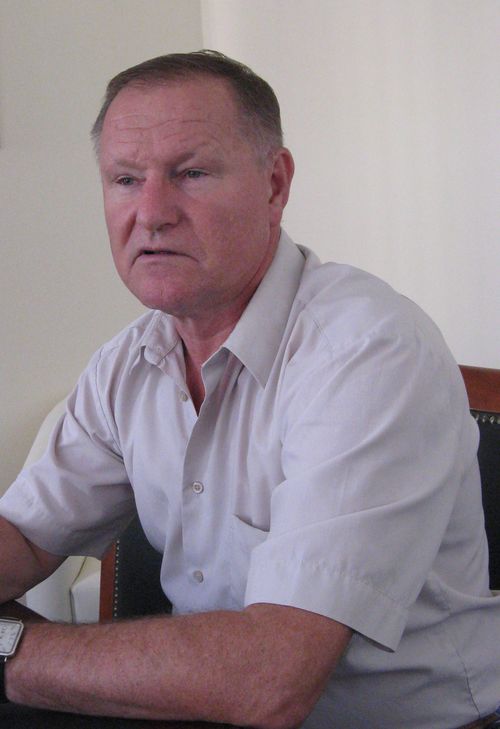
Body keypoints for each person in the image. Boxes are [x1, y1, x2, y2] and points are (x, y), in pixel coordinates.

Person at [0, 50, 499, 729]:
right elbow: (25, 538)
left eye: (191, 173)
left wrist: (9, 649)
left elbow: (271, 679)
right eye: (125, 179)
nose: (151, 213)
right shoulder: (128, 362)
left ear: (275, 183)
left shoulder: (367, 350)